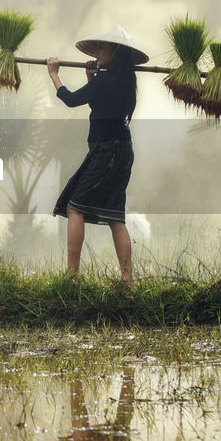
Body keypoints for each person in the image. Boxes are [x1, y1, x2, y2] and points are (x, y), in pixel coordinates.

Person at [46, 25, 148, 284]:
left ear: (116, 51)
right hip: (122, 149)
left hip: (107, 149)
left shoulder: (108, 79)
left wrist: (53, 74)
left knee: (74, 207)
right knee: (115, 214)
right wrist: (91, 78)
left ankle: (72, 276)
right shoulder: (124, 80)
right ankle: (128, 279)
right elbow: (100, 103)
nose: (98, 52)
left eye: (102, 47)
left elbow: (70, 99)